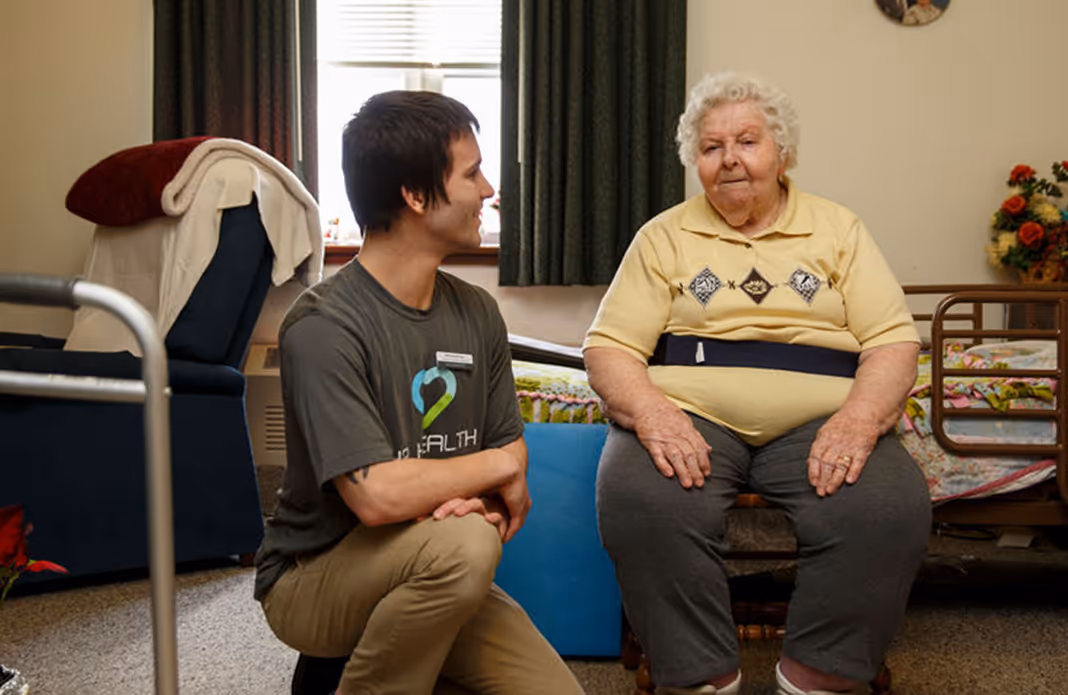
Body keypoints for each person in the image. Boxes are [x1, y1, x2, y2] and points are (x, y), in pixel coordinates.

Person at [584, 73, 931, 695]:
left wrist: (858, 418)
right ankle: (700, 678)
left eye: (747, 141)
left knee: (885, 505)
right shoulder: (663, 237)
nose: (730, 159)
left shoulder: (837, 230)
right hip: (690, 413)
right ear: (696, 161)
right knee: (642, 499)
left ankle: (818, 676)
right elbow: (609, 347)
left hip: (821, 418)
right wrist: (654, 415)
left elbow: (892, 340)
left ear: (782, 153)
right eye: (711, 147)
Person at [254, 90, 584, 695]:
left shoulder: (477, 312)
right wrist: (491, 473)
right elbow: (378, 497)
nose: (489, 190)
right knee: (465, 546)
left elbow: (509, 451)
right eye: (472, 173)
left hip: (436, 553)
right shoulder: (324, 325)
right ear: (414, 194)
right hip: (313, 576)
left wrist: (483, 491)